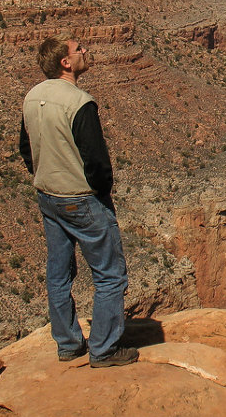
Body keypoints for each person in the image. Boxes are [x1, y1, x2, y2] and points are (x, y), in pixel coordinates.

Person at [19, 35, 138, 367]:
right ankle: (104, 350)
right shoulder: (80, 102)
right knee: (110, 274)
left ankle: (69, 344)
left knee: (59, 272)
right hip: (82, 200)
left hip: (48, 197)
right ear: (65, 63)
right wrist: (101, 192)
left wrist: (43, 172)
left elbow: (25, 149)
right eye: (79, 49)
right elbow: (96, 160)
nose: (87, 51)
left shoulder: (32, 97)